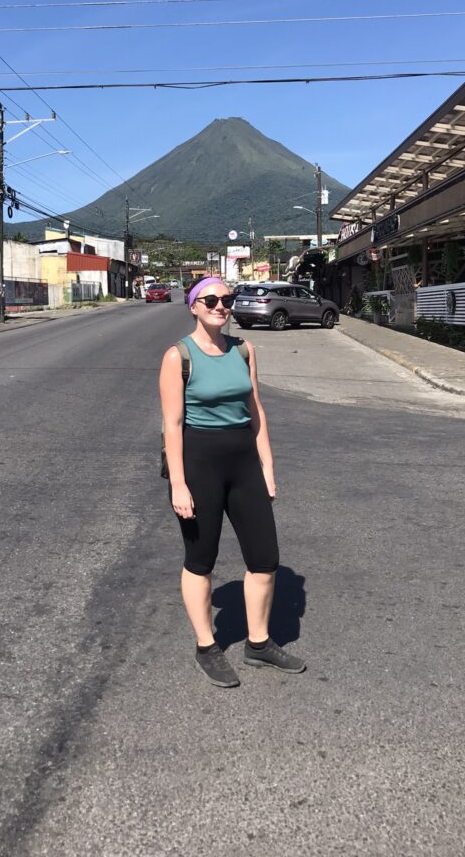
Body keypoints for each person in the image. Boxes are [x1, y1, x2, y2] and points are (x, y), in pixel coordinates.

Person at [159, 276, 306, 687]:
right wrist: (179, 484)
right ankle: (207, 645)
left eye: (227, 299)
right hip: (200, 462)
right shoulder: (178, 357)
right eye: (211, 300)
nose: (221, 306)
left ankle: (257, 644)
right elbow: (172, 425)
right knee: (200, 559)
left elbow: (256, 410)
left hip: (244, 464)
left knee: (265, 558)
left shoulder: (244, 350)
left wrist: (268, 467)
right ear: (193, 306)